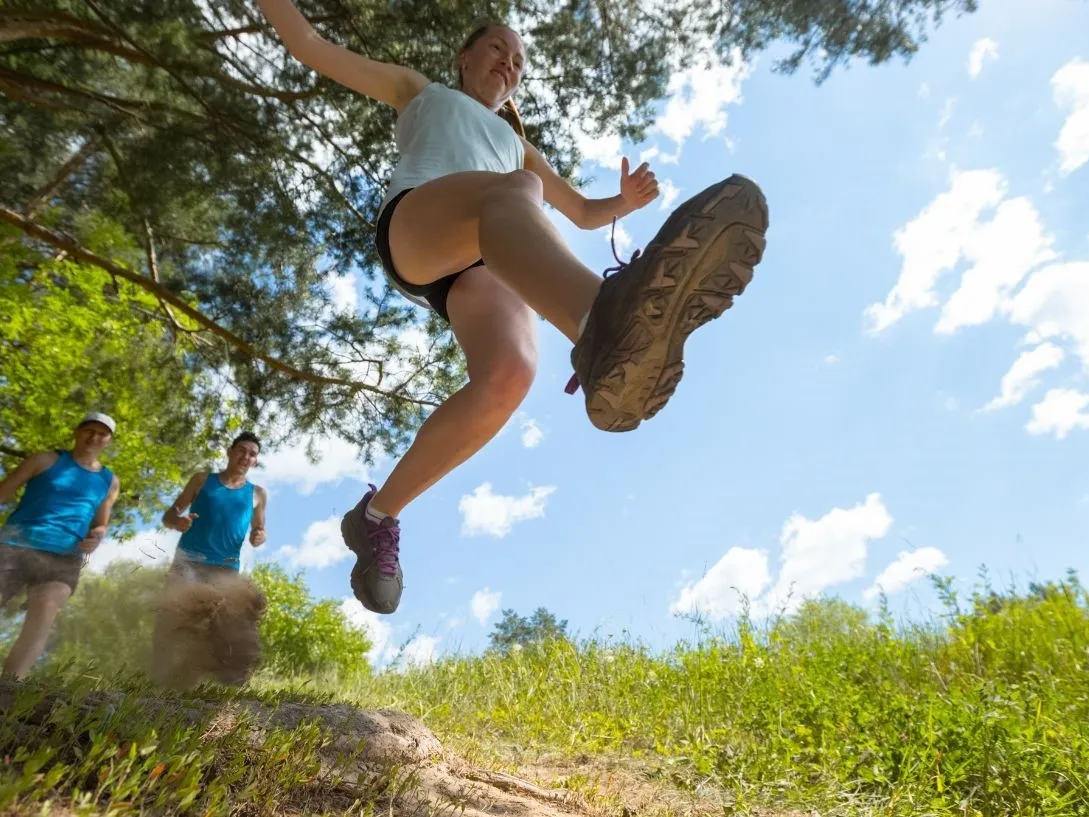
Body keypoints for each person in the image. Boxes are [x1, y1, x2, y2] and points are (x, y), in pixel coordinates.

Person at [254, 0, 770, 615]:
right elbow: (312, 46)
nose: (508, 60)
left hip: (487, 264)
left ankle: (376, 516)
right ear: (465, 57)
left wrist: (623, 202)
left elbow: (580, 212)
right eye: (497, 47)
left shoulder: (518, 144)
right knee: (517, 190)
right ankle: (601, 322)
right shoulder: (418, 91)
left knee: (510, 376)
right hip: (424, 225)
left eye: (519, 59)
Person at [0, 412, 121, 678]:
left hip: (64, 556)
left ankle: (9, 687)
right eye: (88, 430)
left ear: (109, 441)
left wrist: (98, 535)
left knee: (45, 610)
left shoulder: (110, 481)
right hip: (16, 543)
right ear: (76, 432)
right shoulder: (45, 460)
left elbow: (101, 523)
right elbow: (0, 492)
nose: (93, 437)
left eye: (101, 434)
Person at [162, 431, 268, 582]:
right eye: (241, 450)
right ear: (229, 452)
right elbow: (168, 517)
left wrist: (260, 535)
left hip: (226, 570)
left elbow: (259, 528)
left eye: (252, 454)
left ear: (254, 462)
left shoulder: (258, 494)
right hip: (188, 562)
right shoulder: (201, 480)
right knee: (173, 606)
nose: (245, 456)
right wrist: (177, 521)